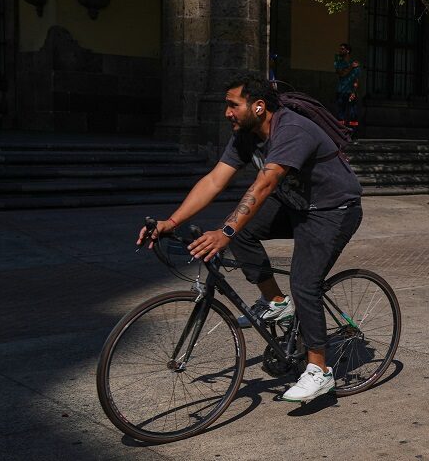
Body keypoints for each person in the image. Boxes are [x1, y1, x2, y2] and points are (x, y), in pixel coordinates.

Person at [136, 72, 364, 403]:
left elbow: (265, 184)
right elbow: (215, 180)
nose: (226, 112)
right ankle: (275, 302)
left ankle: (319, 370)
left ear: (258, 107)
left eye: (232, 105)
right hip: (295, 203)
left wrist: (225, 231)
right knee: (244, 233)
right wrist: (170, 222)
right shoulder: (246, 135)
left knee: (304, 283)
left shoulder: (291, 129)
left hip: (333, 209)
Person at [334, 43, 363, 130]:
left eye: (342, 49)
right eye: (340, 49)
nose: (340, 51)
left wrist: (354, 92)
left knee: (353, 115)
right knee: (340, 115)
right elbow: (341, 73)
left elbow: (356, 80)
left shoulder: (355, 65)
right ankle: (341, 133)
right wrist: (351, 67)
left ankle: (353, 135)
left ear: (347, 51)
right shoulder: (338, 62)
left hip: (350, 92)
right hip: (341, 91)